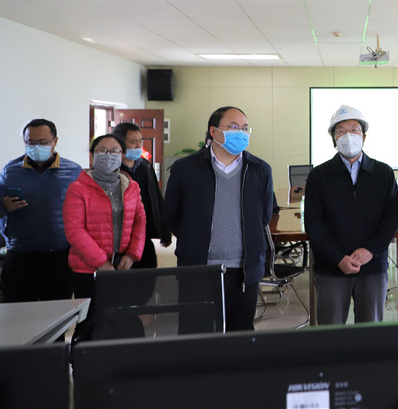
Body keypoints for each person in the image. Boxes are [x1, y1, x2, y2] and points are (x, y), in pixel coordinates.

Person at [163, 106, 273, 331]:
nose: (241, 133)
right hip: (198, 269)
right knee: (195, 334)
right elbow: (172, 215)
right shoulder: (185, 169)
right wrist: (195, 239)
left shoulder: (259, 169)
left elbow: (263, 216)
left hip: (244, 270)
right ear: (213, 131)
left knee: (239, 336)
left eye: (245, 128)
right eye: (233, 127)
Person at [304, 105, 398, 325]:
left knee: (370, 332)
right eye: (341, 131)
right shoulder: (319, 176)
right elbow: (314, 222)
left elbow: (392, 216)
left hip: (372, 267)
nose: (348, 136)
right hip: (331, 268)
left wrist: (370, 250)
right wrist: (338, 258)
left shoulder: (383, 173)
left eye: (354, 129)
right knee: (331, 331)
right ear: (334, 138)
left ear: (364, 136)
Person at [63, 134, 146, 341]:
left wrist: (132, 255)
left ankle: (123, 359)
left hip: (123, 266)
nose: (109, 156)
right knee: (91, 324)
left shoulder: (131, 186)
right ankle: (85, 359)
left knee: (125, 321)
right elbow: (74, 230)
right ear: (92, 155)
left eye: (115, 151)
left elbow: (140, 220)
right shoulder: (77, 188)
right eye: (102, 151)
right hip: (88, 270)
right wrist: (101, 263)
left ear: (122, 155)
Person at [0, 119, 82, 303]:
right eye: (31, 142)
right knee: (17, 314)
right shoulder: (11, 171)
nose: (36, 147)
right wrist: (3, 206)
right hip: (20, 256)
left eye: (43, 142)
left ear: (55, 141)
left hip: (60, 257)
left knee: (56, 313)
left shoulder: (73, 172)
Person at [112, 122, 172, 269]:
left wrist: (164, 230)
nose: (138, 145)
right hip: (120, 239)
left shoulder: (145, 166)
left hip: (144, 235)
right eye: (134, 141)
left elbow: (156, 197)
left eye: (140, 141)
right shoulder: (111, 170)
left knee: (148, 274)